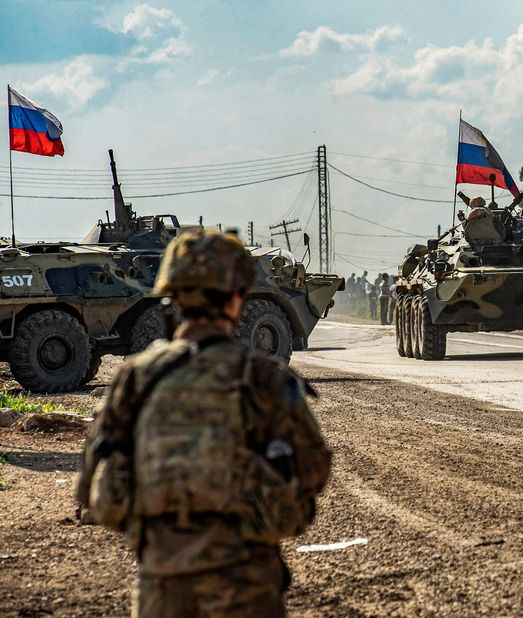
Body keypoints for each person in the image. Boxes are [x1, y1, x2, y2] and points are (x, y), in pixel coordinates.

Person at [77, 228, 332, 617]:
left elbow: (90, 489)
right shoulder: (262, 377)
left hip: (160, 584)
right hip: (245, 581)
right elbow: (312, 470)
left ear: (172, 297)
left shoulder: (137, 377)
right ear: (236, 297)